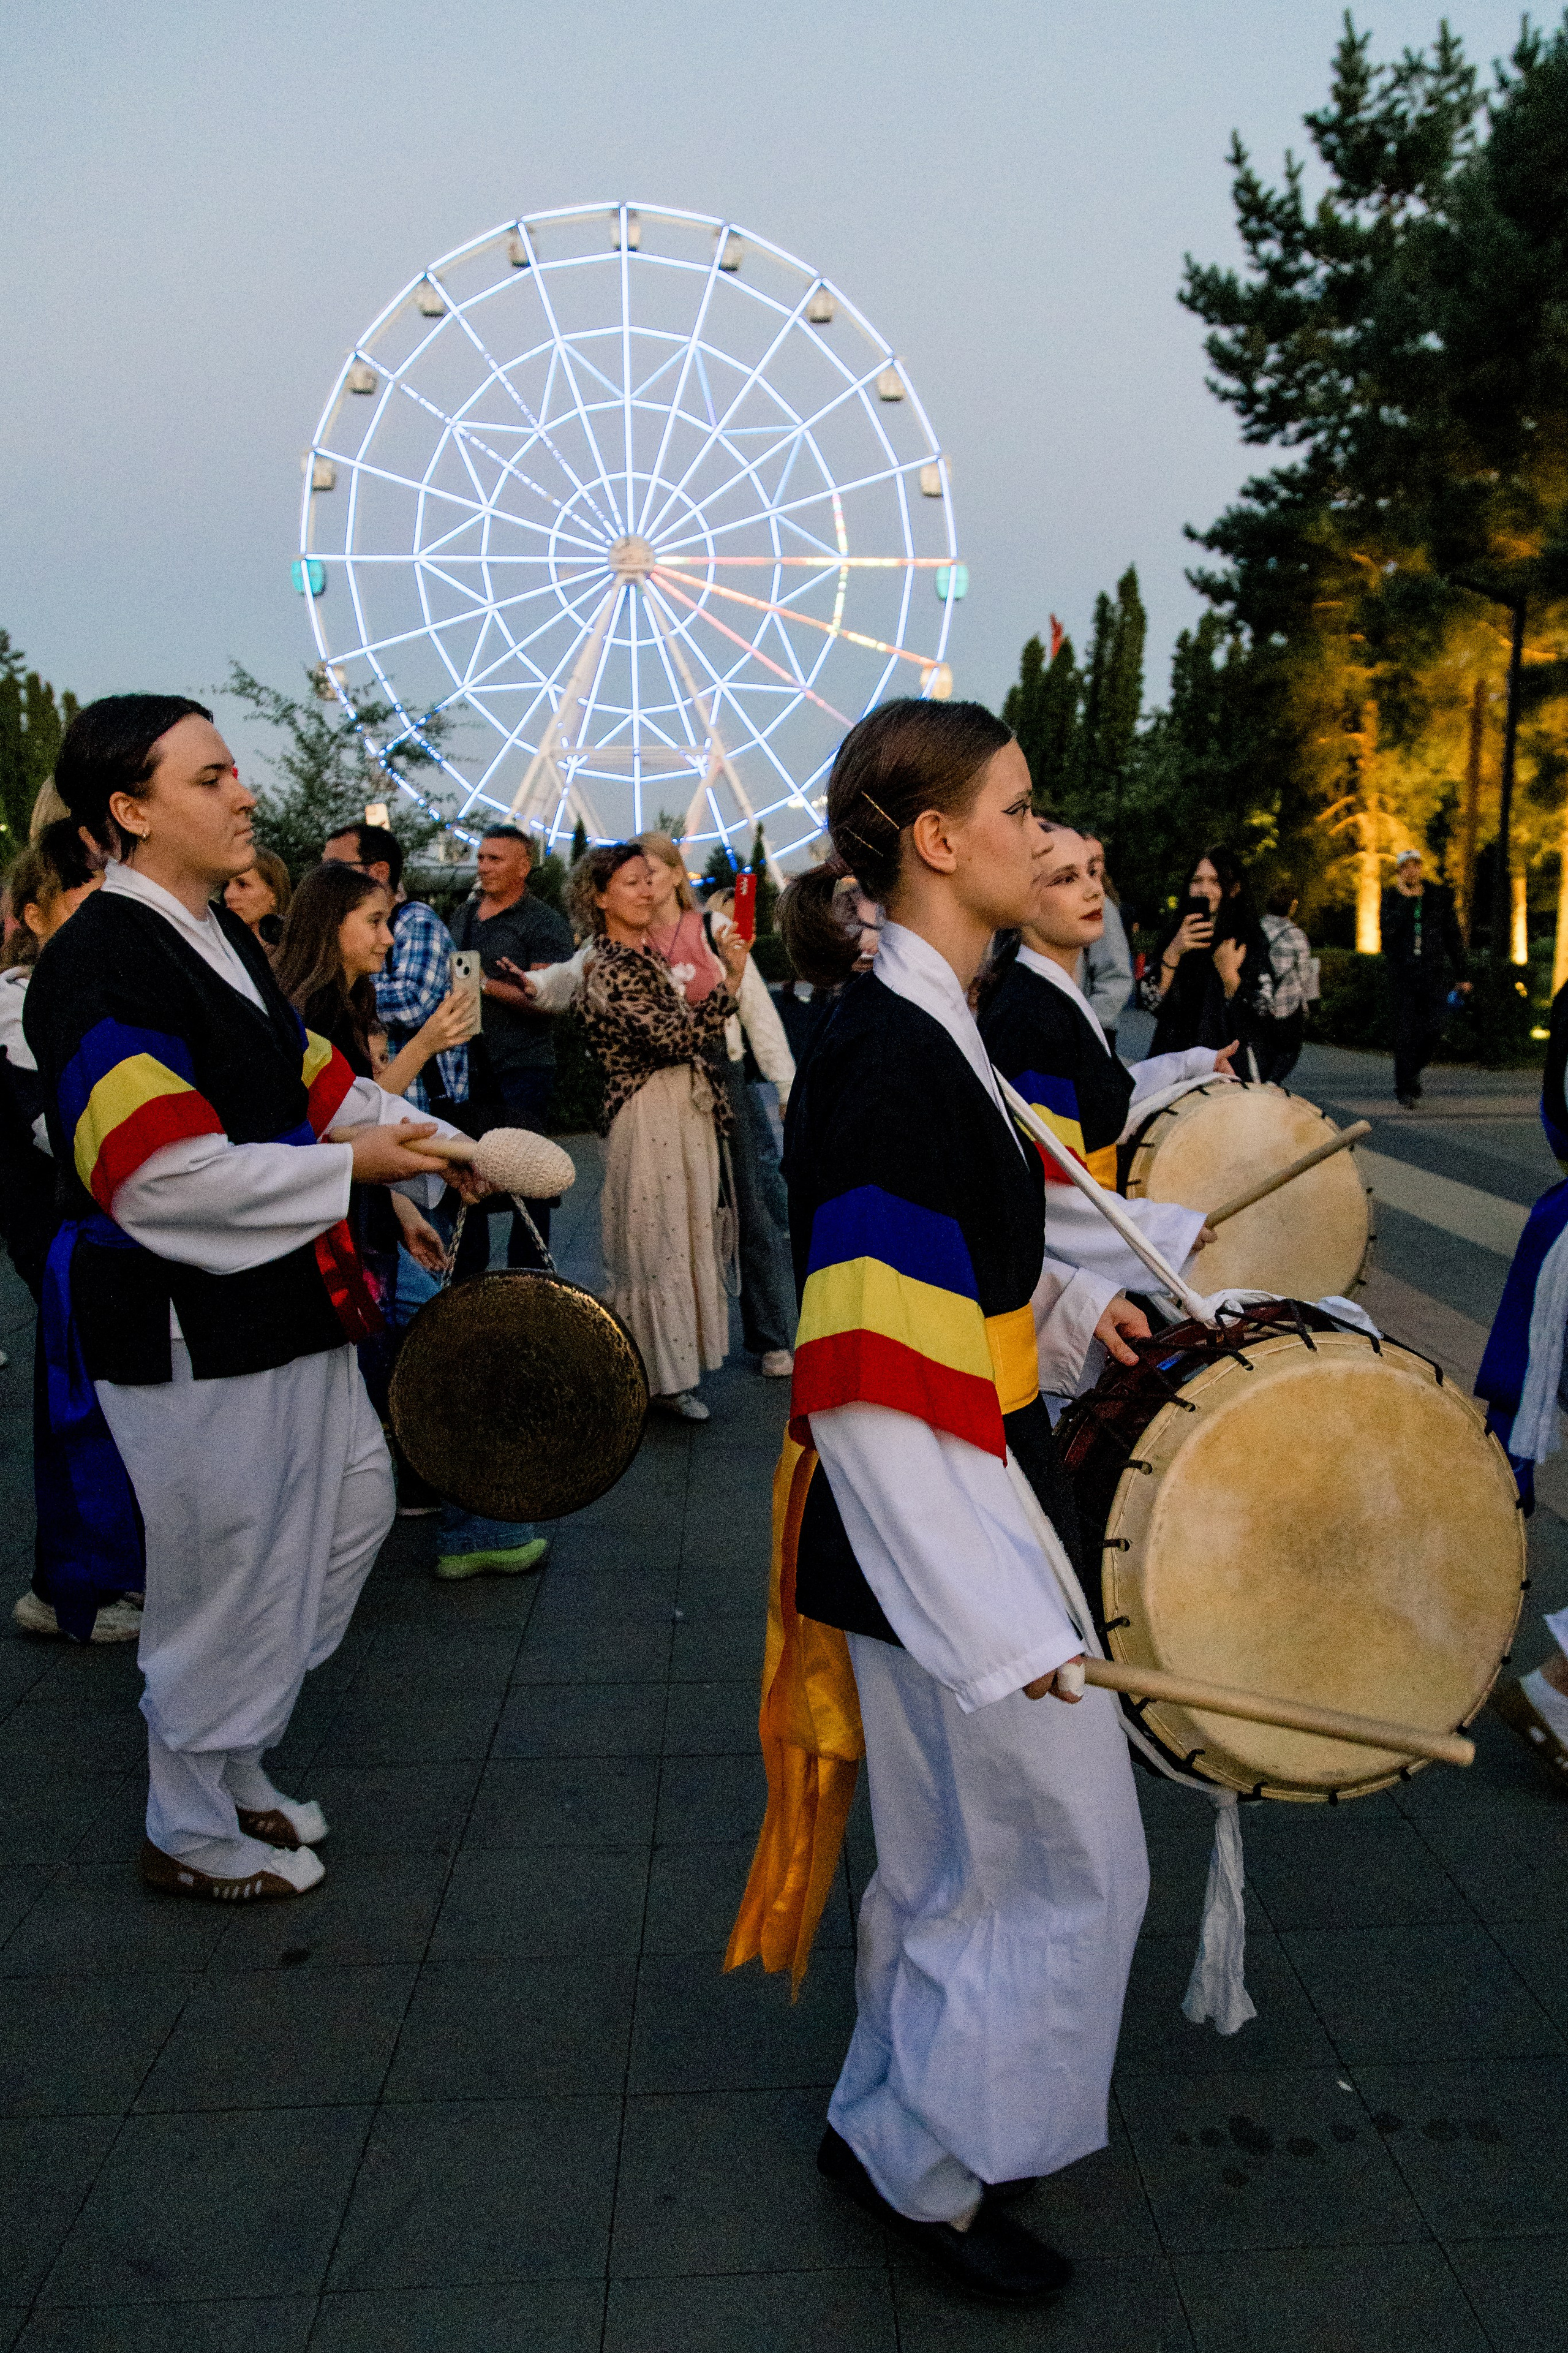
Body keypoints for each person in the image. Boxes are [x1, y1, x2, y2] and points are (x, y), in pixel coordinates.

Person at [728, 700, 1150, 2308]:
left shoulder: (921, 1020)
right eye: (1020, 808)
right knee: (1054, 1860)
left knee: (955, 1861)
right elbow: (870, 1381)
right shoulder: (896, 1050)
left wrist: (1071, 1310)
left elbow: (951, 1280)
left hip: (953, 1508)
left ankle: (894, 2127)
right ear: (937, 837)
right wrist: (998, 1623)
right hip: (945, 1531)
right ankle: (937, 2172)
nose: (1044, 835)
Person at [26, 694, 481, 1902]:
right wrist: (356, 1169)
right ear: (128, 811)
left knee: (345, 1512)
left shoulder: (214, 934)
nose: (246, 793)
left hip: (281, 1301)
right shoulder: (98, 964)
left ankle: (229, 1753)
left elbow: (317, 1082)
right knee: (226, 1570)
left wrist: (433, 1143)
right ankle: (187, 1824)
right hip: (188, 1326)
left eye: (235, 770)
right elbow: (156, 1177)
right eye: (212, 776)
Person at [978, 826, 1224, 1405]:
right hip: (1063, 1275)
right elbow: (1050, 1188)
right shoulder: (1029, 1017)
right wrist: (1162, 1232)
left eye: (1092, 872)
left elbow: (1103, 1099)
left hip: (1087, 1261)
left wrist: (1193, 1064)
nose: (1092, 890)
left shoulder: (1053, 997)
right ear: (1023, 898)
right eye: (1065, 879)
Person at [1, 828, 134, 1642]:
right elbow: (64, 1128)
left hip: (86, 1226)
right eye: (84, 904)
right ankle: (72, 1587)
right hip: (59, 1230)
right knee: (77, 1406)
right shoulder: (21, 1004)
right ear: (34, 914)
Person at [572, 842, 747, 1422]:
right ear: (600, 898)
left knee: (679, 1233)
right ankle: (651, 1372)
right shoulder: (610, 967)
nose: (647, 890)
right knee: (656, 1242)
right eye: (631, 883)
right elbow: (673, 1039)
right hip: (648, 1111)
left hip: (678, 1108)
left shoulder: (639, 957)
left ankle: (669, 1371)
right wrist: (730, 983)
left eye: (649, 879)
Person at [448, 823, 573, 1267]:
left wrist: (486, 985)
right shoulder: (463, 916)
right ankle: (469, 1278)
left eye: (495, 859)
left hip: (521, 1066)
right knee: (466, 1172)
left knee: (527, 1174)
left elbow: (549, 1001)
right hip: (466, 1067)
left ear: (524, 867)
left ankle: (529, 1277)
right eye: (481, 857)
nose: (483, 866)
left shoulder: (542, 922)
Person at [322, 822, 469, 1122]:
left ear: (379, 872)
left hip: (417, 1101)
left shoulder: (417, 921)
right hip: (372, 1103)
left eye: (337, 868)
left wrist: (342, 993)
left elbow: (413, 1001)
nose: (326, 878)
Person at [1148, 845, 1273, 1073]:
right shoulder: (1175, 934)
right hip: (1174, 1060)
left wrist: (1229, 976)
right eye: (1197, 881)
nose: (1204, 889)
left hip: (1227, 1064)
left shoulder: (1249, 938)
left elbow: (1263, 1013)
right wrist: (1173, 953)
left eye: (1215, 882)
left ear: (1234, 889)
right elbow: (1150, 1002)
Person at [1381, 848, 1468, 1108]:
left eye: (1416, 866)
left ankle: (1413, 1071)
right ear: (1399, 872)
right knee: (1405, 1032)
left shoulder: (1438, 896)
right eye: (1406, 867)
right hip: (1404, 975)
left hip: (1433, 974)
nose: (1412, 871)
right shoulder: (1391, 898)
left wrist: (1463, 973)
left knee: (1435, 1028)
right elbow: (1388, 934)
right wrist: (1405, 901)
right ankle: (1404, 1087)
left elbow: (1453, 935)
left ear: (1421, 868)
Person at [1077, 836, 1133, 1049]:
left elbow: (1116, 976)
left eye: (1098, 859)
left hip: (1089, 1033)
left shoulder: (1101, 905)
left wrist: (1088, 1026)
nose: (1096, 866)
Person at [1256, 884, 1315, 1085]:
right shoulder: (1296, 935)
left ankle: (1259, 1085)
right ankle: (1271, 1084)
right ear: (1292, 906)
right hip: (1287, 1004)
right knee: (1288, 1051)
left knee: (1262, 1051)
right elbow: (1305, 974)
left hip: (1258, 1003)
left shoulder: (1256, 929)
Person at [222, 847, 292, 952]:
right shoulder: (220, 949)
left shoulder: (296, 953)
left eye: (242, 885)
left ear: (273, 895)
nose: (228, 895)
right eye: (226, 885)